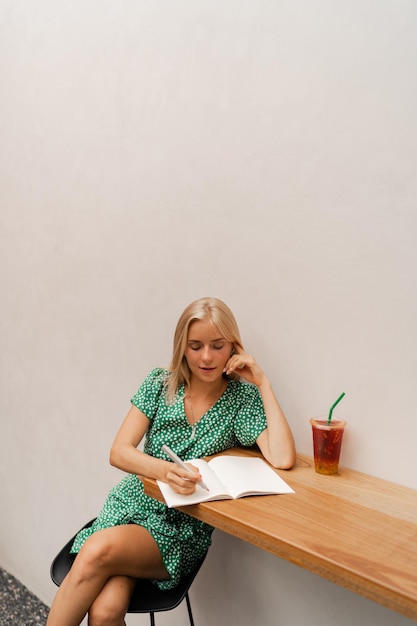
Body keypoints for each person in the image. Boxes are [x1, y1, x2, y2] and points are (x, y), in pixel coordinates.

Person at [46, 297, 296, 626]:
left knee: (97, 551)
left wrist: (263, 381)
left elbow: (282, 457)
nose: (206, 357)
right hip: (130, 506)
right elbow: (119, 451)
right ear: (182, 347)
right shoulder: (159, 384)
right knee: (106, 613)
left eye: (217, 346)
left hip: (181, 527)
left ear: (233, 349)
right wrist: (167, 471)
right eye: (195, 346)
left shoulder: (241, 400)